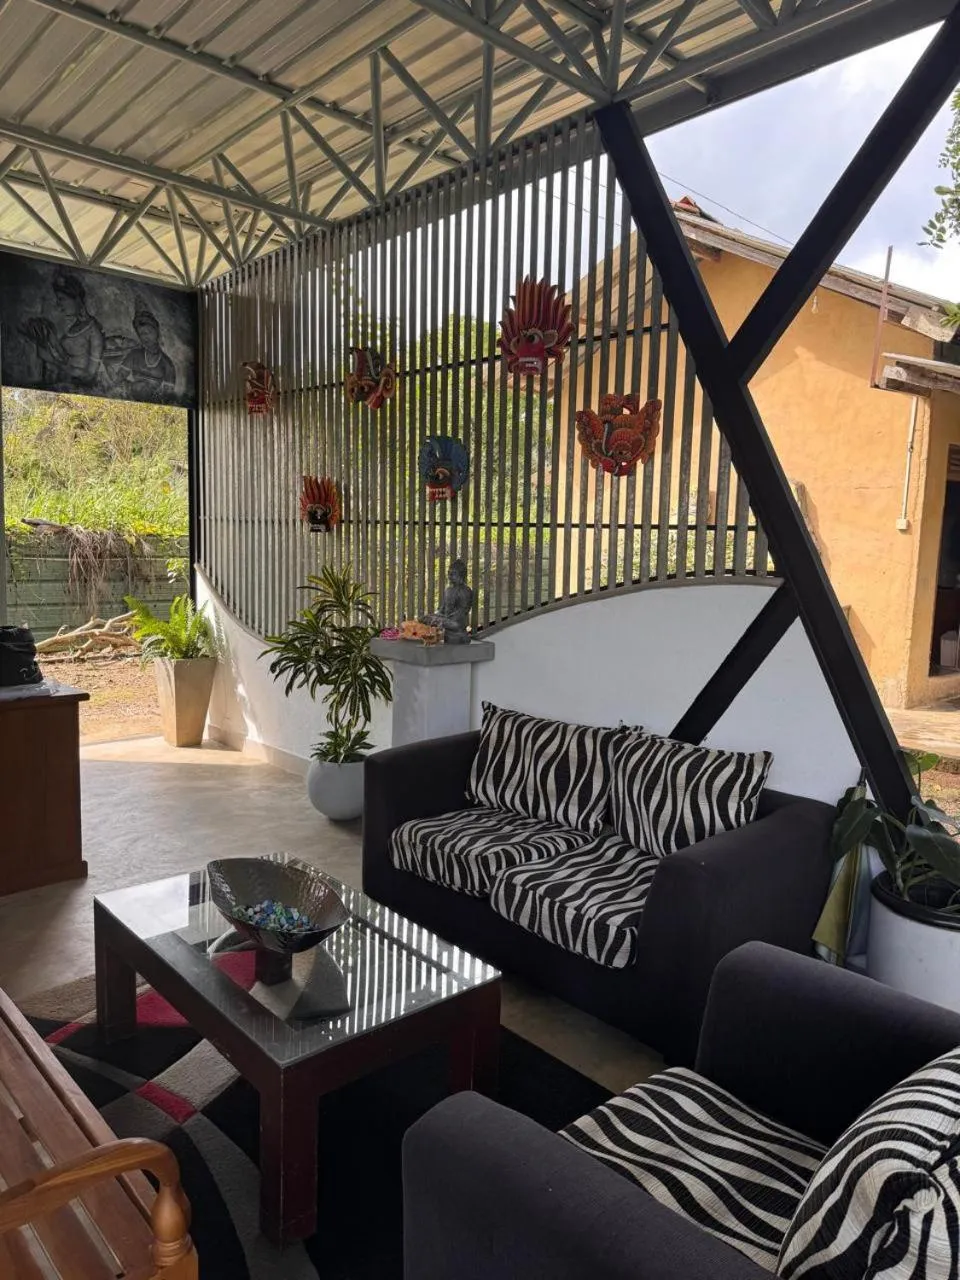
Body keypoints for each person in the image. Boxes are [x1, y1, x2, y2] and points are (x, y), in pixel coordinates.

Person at [21, 268, 105, 388]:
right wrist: (51, 339)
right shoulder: (75, 327)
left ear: (76, 299)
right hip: (63, 381)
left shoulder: (93, 331)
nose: (59, 305)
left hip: (78, 389)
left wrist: (52, 360)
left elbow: (89, 376)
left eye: (62, 299)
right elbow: (66, 358)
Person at [118, 304, 177, 401]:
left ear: (157, 332)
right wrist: (129, 388)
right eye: (141, 333)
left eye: (148, 332)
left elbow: (168, 395)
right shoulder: (134, 355)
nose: (145, 336)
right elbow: (118, 379)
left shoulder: (167, 365)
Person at [420, 559, 474, 643]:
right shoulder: (448, 590)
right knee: (424, 618)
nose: (450, 576)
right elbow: (442, 609)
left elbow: (462, 612)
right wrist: (435, 616)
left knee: (441, 621)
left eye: (453, 574)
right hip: (447, 621)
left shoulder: (465, 591)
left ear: (461, 575)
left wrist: (442, 620)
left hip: (457, 624)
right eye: (449, 573)